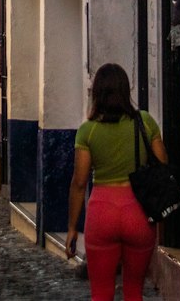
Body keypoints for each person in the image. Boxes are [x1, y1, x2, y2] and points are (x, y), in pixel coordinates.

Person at [67, 62, 168, 301]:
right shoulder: (145, 122)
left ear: (96, 94)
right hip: (138, 213)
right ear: (127, 90)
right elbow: (163, 163)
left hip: (102, 213)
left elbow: (79, 183)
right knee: (134, 291)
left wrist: (72, 227)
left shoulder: (87, 131)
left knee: (101, 293)